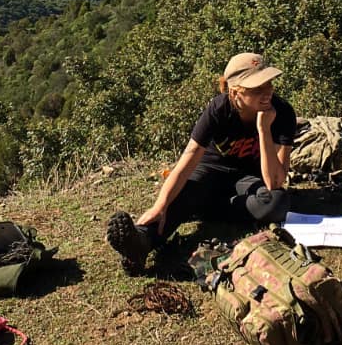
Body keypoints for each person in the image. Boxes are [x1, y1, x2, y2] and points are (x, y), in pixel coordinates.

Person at [106, 52, 296, 274]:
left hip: (248, 178)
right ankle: (140, 243)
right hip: (210, 171)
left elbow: (275, 181)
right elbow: (188, 159)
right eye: (257, 88)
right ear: (235, 92)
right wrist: (160, 205)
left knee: (276, 202)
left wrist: (263, 128)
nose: (267, 92)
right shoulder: (218, 110)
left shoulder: (281, 113)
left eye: (268, 84)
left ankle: (201, 206)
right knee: (178, 197)